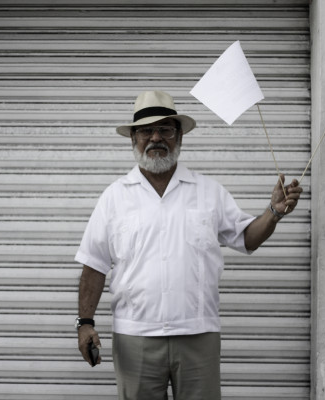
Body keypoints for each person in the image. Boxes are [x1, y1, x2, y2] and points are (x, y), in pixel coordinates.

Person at [75, 90, 302, 400]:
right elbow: (94, 264)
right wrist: (85, 323)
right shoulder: (114, 198)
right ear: (133, 138)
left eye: (166, 129)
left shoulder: (209, 192)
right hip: (135, 336)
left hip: (199, 336)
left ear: (179, 136)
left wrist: (273, 212)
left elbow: (247, 237)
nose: (156, 137)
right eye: (146, 130)